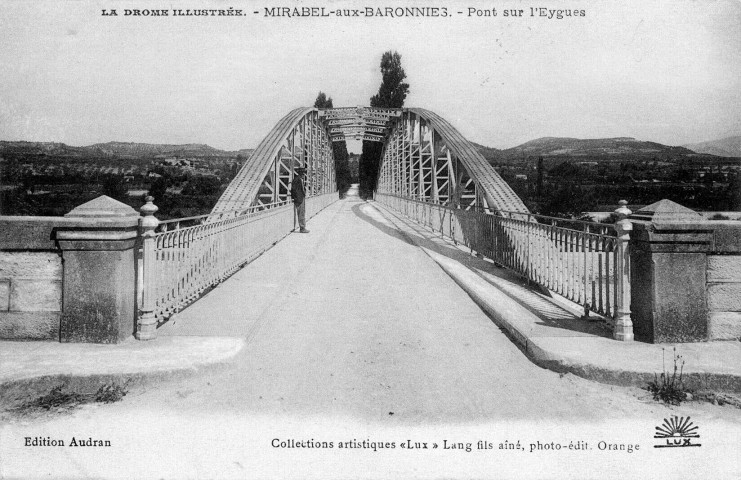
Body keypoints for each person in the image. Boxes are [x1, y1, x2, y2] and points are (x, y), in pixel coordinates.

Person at [290, 167, 309, 233]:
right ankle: (302, 228)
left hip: (301, 198)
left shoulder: (299, 179)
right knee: (301, 213)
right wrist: (295, 198)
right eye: (303, 173)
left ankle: (303, 227)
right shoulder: (297, 179)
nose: (304, 175)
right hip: (299, 199)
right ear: (301, 173)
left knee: (302, 213)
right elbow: (293, 190)